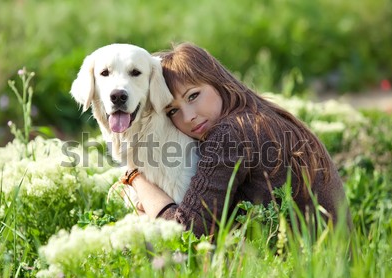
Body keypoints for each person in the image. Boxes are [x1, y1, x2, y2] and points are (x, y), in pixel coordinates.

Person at [124, 42, 350, 237]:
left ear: (216, 81)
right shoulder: (259, 116)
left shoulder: (230, 133)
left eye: (193, 96)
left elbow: (186, 235)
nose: (188, 116)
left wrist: (136, 178)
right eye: (172, 111)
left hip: (301, 271)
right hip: (334, 263)